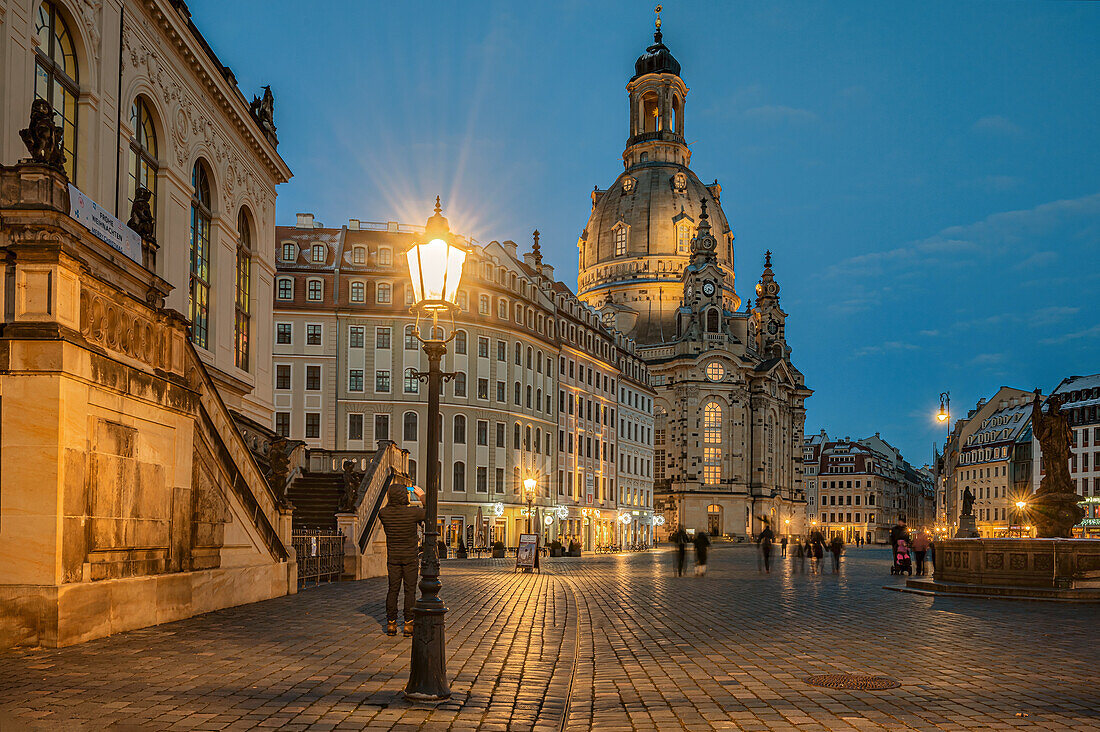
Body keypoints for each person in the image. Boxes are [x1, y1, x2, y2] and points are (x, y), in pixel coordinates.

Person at [378, 482, 425, 637]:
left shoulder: (383, 513)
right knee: (409, 591)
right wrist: (422, 496)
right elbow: (430, 512)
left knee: (393, 590)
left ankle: (391, 623)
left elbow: (390, 511)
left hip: (393, 557)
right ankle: (408, 624)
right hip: (410, 557)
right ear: (404, 496)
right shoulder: (413, 513)